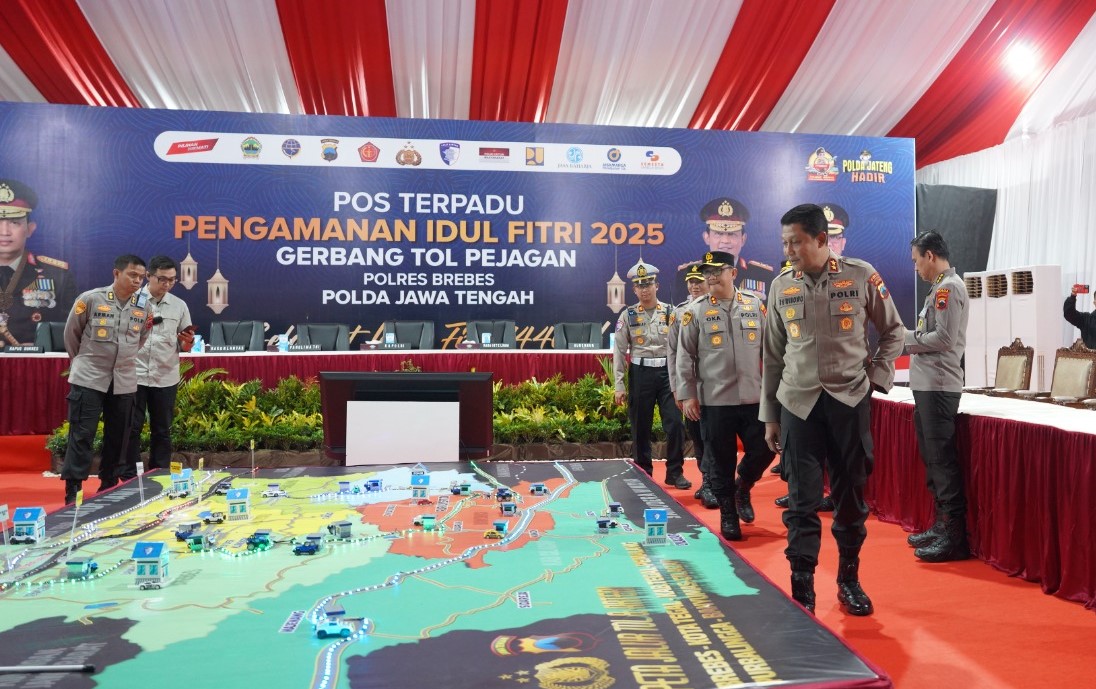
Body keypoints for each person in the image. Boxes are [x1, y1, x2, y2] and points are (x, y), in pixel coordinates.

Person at [761, 204, 904, 616]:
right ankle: (802, 589)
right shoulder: (781, 286)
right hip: (798, 404)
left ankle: (849, 580)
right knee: (801, 501)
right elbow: (773, 356)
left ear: (822, 239)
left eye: (796, 242)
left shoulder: (860, 275)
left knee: (850, 498)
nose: (789, 251)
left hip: (848, 401)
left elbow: (894, 331)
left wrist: (877, 377)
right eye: (785, 243)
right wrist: (770, 415)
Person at [677, 251, 774, 540]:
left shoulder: (754, 305)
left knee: (766, 448)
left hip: (753, 397)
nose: (710, 276)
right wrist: (688, 395)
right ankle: (728, 513)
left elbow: (770, 352)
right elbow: (685, 356)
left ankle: (743, 485)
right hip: (715, 400)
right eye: (707, 271)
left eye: (717, 270)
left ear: (733, 273)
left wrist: (774, 392)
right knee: (720, 460)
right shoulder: (695, 311)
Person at [59, 255, 151, 504]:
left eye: (141, 277)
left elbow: (141, 337)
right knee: (82, 435)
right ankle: (73, 490)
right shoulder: (91, 299)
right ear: (116, 273)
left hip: (124, 379)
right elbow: (71, 334)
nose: (137, 281)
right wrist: (83, 362)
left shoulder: (144, 307)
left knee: (119, 437)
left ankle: (108, 484)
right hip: (89, 377)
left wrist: (122, 360)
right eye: (132, 275)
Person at [904, 231, 970, 562]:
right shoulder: (939, 288)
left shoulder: (949, 288)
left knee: (942, 461)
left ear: (930, 255)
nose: (916, 268)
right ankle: (942, 525)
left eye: (917, 261)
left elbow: (944, 338)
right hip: (928, 384)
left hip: (939, 385)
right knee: (932, 459)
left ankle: (954, 536)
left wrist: (905, 340)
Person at [613, 260, 689, 489]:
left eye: (648, 284)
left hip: (668, 374)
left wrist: (684, 380)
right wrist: (619, 385)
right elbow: (619, 351)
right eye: (639, 286)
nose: (644, 289)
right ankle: (643, 472)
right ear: (634, 290)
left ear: (657, 286)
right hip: (641, 373)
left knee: (675, 424)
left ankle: (675, 472)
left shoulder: (671, 312)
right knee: (640, 427)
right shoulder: (628, 315)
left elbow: (682, 348)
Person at [125, 256, 195, 477]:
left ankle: (159, 473)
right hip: (134, 374)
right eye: (162, 279)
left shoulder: (179, 305)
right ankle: (130, 475)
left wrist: (187, 342)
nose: (167, 284)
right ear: (149, 276)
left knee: (162, 430)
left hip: (165, 376)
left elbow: (185, 345)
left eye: (172, 280)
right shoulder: (130, 301)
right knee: (131, 428)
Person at [0, 178, 76, 346]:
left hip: (33, 361)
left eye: (14, 222)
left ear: (30, 229)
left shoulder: (57, 275)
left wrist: (39, 348)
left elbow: (74, 333)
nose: (4, 232)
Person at [667, 264, 716, 508]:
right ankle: (707, 481)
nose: (695, 286)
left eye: (699, 281)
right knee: (697, 436)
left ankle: (714, 481)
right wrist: (677, 388)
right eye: (691, 282)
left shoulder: (718, 307)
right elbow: (673, 353)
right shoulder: (679, 313)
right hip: (691, 386)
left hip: (715, 386)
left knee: (715, 436)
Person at [696, 197, 775, 299]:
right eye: (718, 234)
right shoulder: (688, 275)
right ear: (706, 238)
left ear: (743, 239)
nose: (725, 241)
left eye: (732, 234)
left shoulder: (763, 275)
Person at [1063, 283, 1096, 348]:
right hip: (1090, 354)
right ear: (1094, 302)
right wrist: (1073, 296)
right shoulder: (1086, 319)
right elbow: (1069, 314)